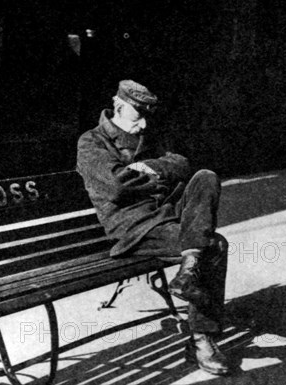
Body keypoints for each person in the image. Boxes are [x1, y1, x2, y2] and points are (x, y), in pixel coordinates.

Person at [76, 79, 232, 375]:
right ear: (118, 106)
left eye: (149, 115)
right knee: (215, 246)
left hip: (167, 216)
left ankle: (188, 270)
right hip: (134, 227)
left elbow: (182, 164)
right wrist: (159, 176)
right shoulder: (92, 141)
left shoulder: (149, 133)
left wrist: (145, 169)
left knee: (206, 177)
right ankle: (201, 339)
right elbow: (116, 187)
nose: (145, 124)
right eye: (138, 114)